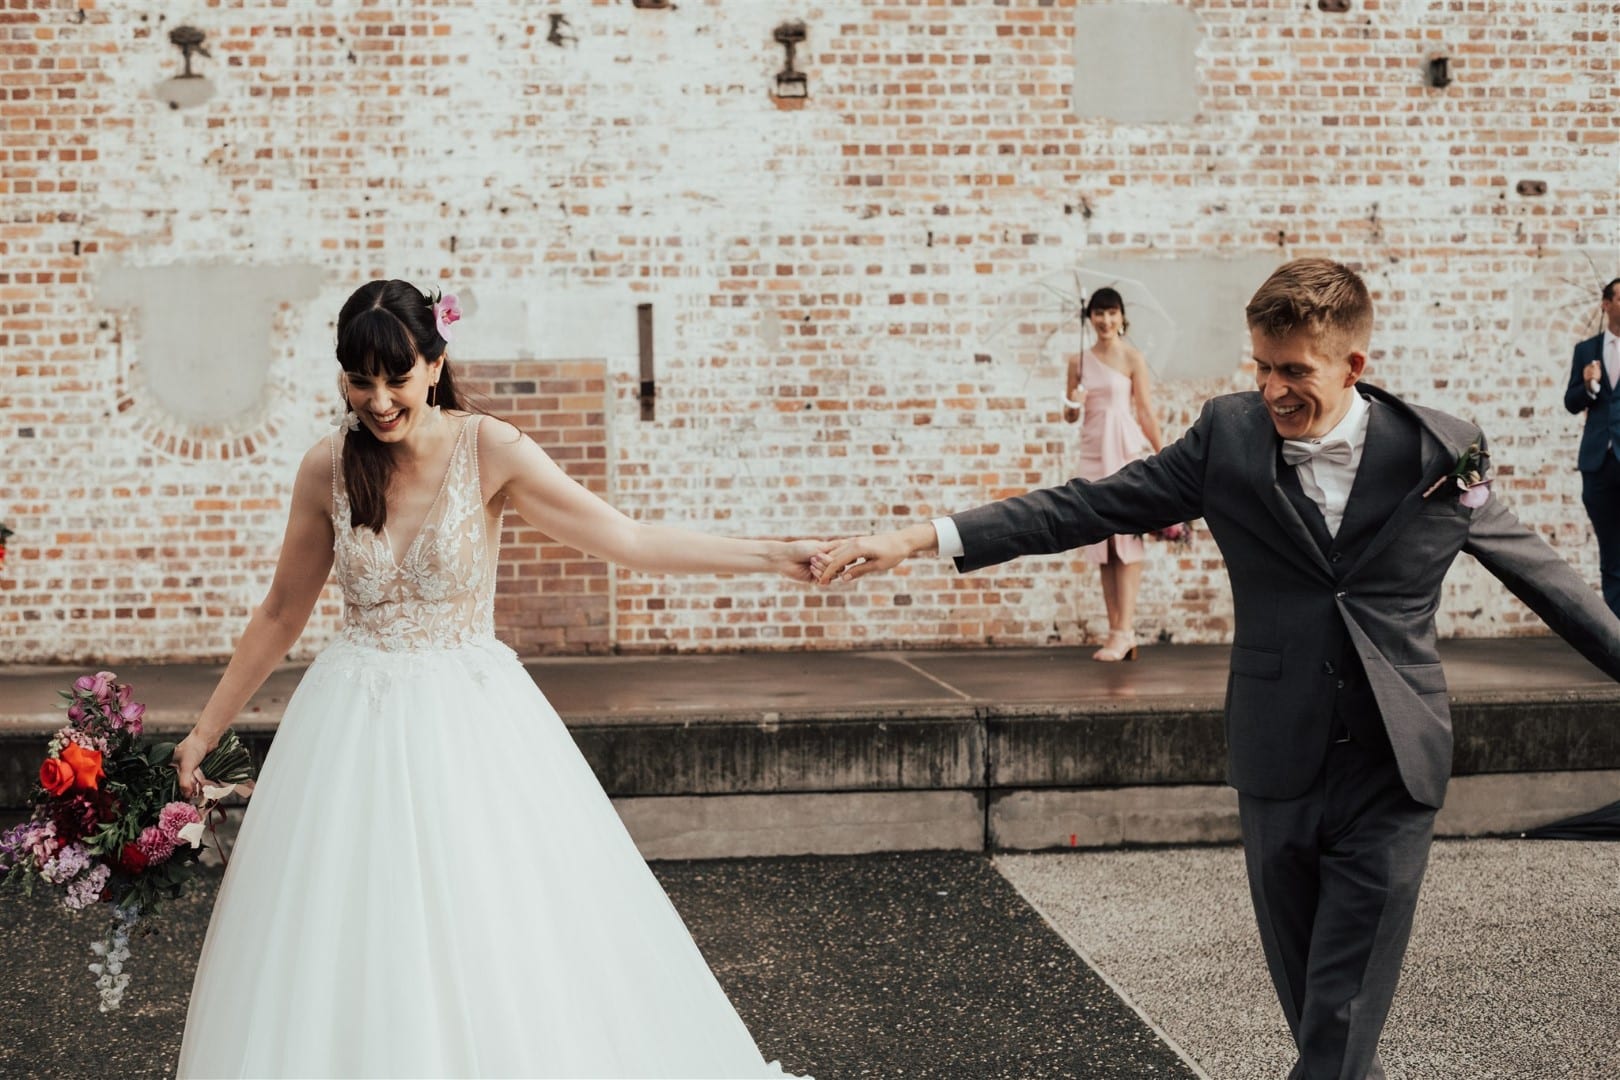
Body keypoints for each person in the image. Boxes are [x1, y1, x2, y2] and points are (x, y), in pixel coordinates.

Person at [815, 258, 1620, 1080]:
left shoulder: (1443, 453)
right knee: (1319, 1014)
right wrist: (921, 537)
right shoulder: (1226, 437)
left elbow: (1541, 574)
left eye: (1295, 370)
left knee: (1339, 1025)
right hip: (1276, 760)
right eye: (1262, 367)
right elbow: (1084, 505)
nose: (1273, 389)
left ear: (1354, 366)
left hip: (1392, 764)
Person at [170, 280, 816, 1078]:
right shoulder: (327, 468)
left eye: (396, 378)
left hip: (470, 726)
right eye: (358, 379)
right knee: (350, 934)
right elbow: (279, 612)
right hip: (351, 726)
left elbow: (628, 538)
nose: (377, 400)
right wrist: (205, 731)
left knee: (495, 925)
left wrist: (773, 556)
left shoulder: (491, 449)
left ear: (434, 365)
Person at [1061, 286, 1165, 661]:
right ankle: (1116, 631)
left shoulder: (1133, 358)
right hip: (1092, 451)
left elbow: (1145, 411)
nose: (1105, 320)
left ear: (1122, 317)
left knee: (1128, 541)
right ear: (1089, 318)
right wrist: (1076, 400)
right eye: (1098, 313)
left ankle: (1125, 630)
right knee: (1102, 542)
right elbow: (1070, 416)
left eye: (1112, 312)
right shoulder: (1078, 361)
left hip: (1123, 450)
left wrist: (1162, 452)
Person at [1563, 276, 1620, 619]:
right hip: (1599, 464)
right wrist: (1588, 385)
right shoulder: (1586, 350)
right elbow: (1571, 402)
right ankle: (1617, 638)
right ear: (1607, 304)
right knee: (1612, 554)